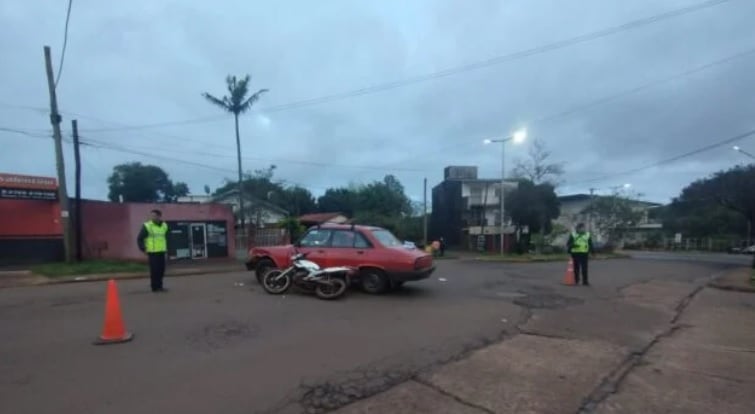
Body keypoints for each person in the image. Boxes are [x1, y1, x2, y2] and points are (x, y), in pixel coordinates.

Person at [137, 209, 169, 292]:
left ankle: (160, 286)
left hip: (162, 251)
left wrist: (169, 249)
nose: (152, 217)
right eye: (151, 215)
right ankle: (154, 287)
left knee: (161, 270)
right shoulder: (147, 226)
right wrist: (143, 248)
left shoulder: (164, 225)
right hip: (152, 252)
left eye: (154, 216)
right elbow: (140, 238)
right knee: (154, 270)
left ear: (159, 216)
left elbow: (167, 238)